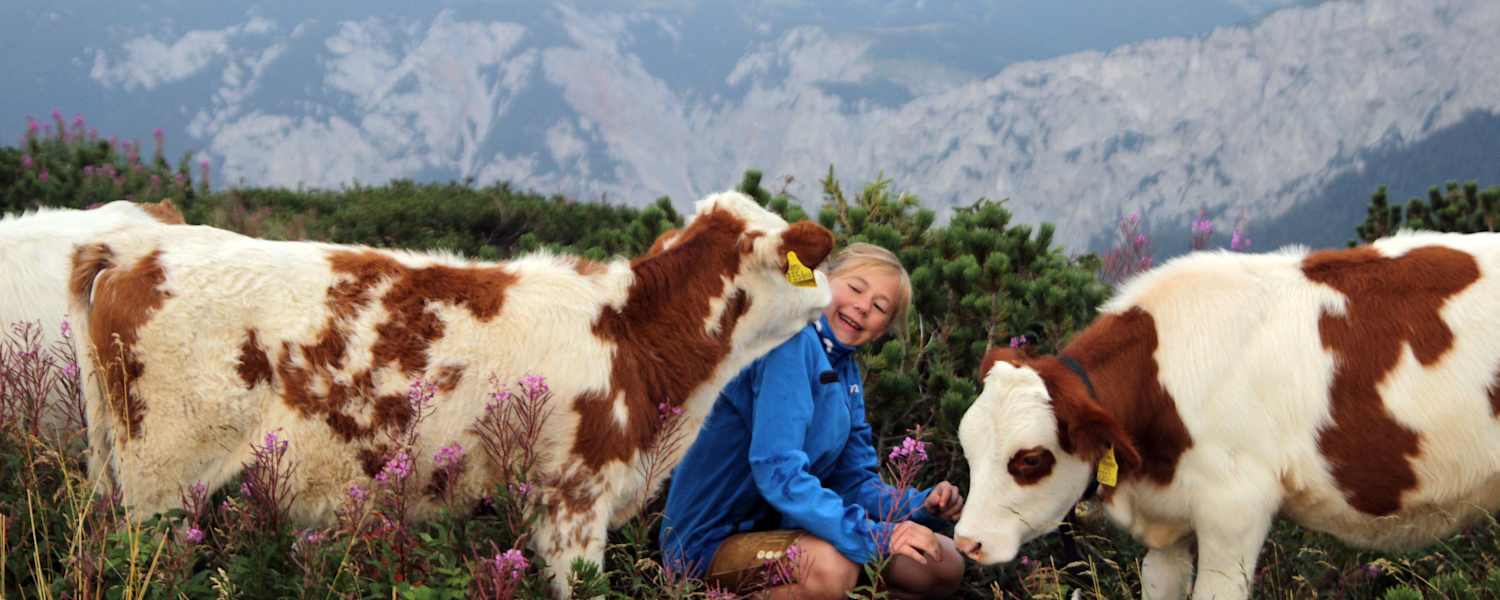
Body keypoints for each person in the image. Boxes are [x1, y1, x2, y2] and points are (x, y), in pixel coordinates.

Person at [660, 242, 965, 599]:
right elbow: (778, 474)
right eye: (855, 288)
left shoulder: (845, 371)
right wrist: (878, 537)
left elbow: (853, 482)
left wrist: (921, 506)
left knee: (942, 562)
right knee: (831, 568)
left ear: (882, 331)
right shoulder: (788, 340)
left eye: (880, 307)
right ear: (822, 280)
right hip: (707, 544)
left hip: (783, 533)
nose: (863, 306)